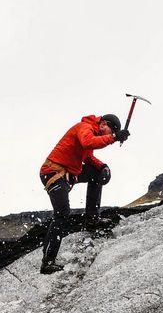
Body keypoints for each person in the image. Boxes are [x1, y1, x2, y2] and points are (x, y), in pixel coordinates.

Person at [38, 114, 130, 274]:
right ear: (103, 124)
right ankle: (47, 262)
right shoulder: (85, 128)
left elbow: (87, 157)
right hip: (53, 173)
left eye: (111, 133)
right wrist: (114, 137)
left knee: (97, 174)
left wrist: (103, 167)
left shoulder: (92, 132)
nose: (109, 135)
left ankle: (92, 219)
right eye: (110, 130)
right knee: (62, 215)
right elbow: (88, 142)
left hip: (68, 173)